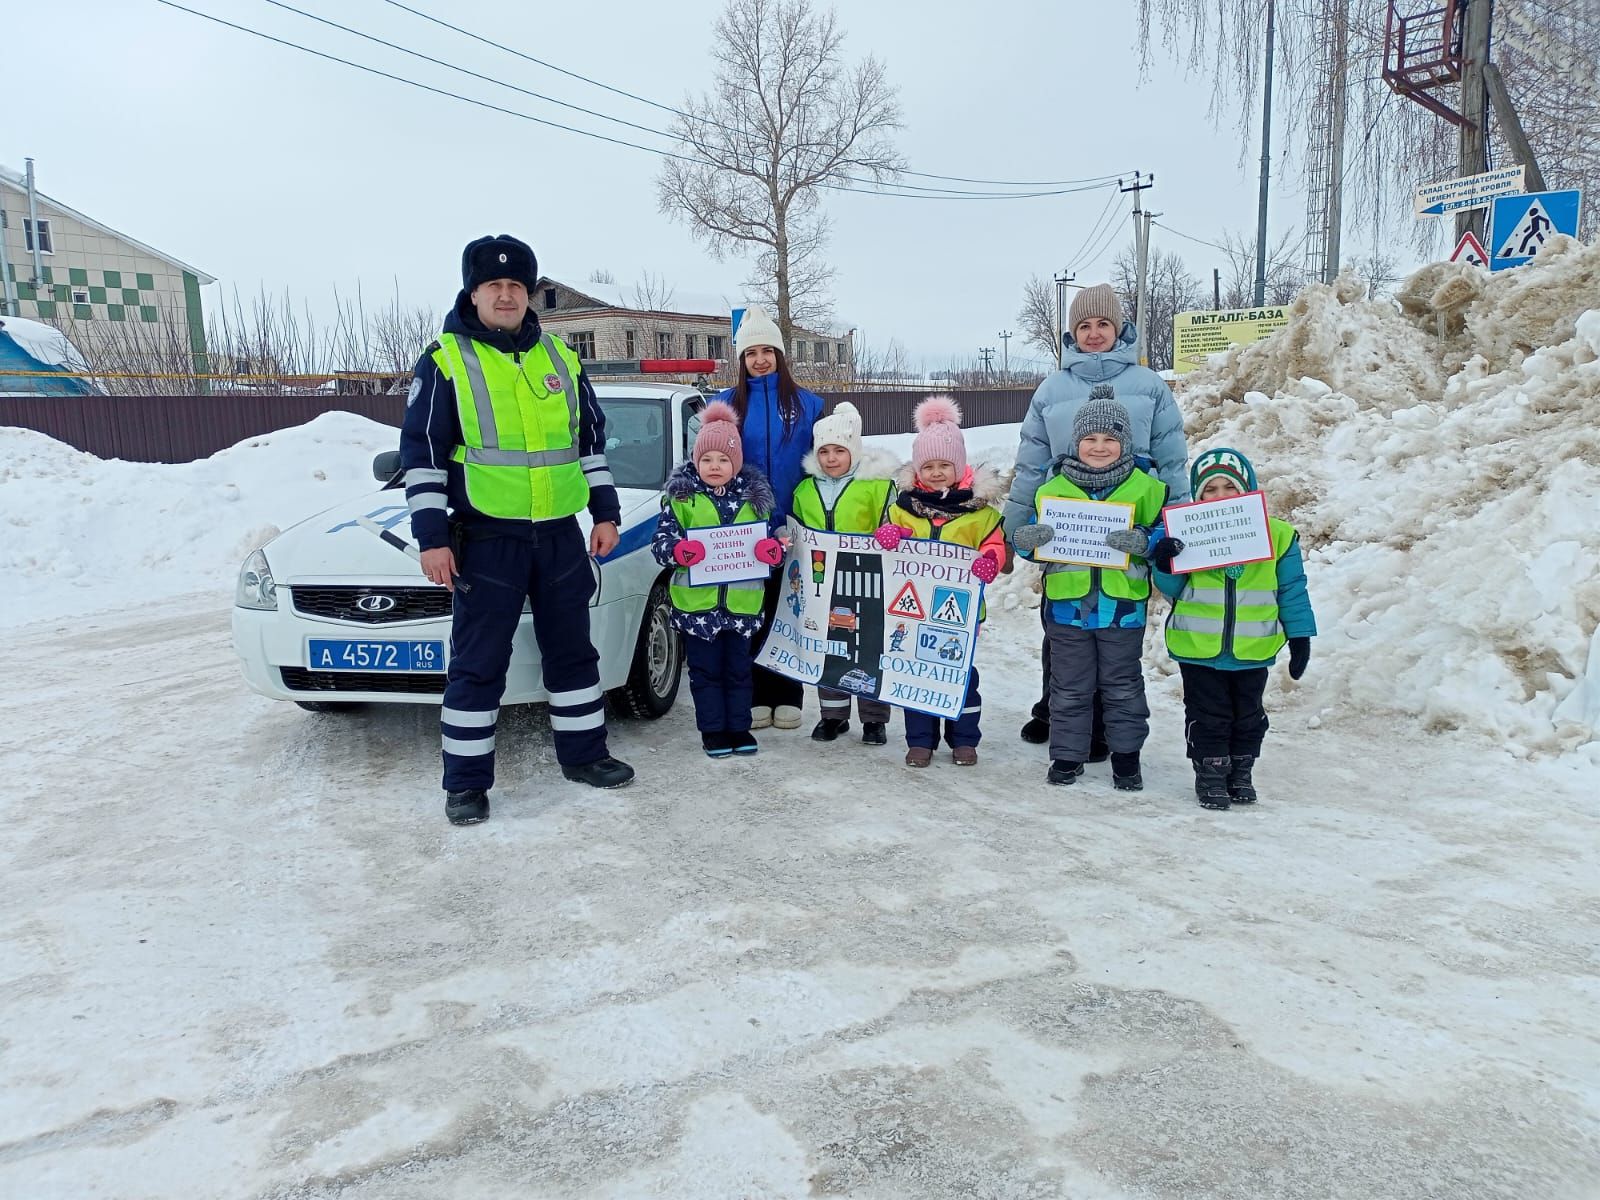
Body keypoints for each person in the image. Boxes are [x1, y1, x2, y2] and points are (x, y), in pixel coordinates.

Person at [400, 234, 634, 827]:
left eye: (516, 286)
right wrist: (431, 539)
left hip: (558, 535)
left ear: (529, 294)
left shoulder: (561, 359)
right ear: (473, 292)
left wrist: (604, 513)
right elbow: (423, 456)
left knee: (574, 653)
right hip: (486, 538)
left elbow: (590, 446)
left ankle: (585, 756)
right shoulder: (446, 360)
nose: (506, 295)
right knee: (478, 665)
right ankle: (466, 785)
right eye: (493, 286)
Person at [1001, 284, 1190, 753]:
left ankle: (1104, 724)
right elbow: (1030, 462)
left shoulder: (1148, 385)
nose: (1093, 333)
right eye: (1083, 326)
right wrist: (1013, 527)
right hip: (1067, 524)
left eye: (1102, 324)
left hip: (1128, 516)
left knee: (1116, 628)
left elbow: (1171, 459)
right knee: (1063, 625)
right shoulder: (1052, 388)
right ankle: (1056, 710)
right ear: (1071, 333)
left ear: (1119, 328)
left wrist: (1179, 522)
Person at [1010, 396, 1169, 789]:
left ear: (1126, 442)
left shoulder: (1146, 487)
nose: (1099, 446)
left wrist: (1146, 541)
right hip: (1068, 609)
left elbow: (1167, 535)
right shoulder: (1054, 487)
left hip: (1122, 609)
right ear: (1076, 442)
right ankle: (1067, 757)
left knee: (1123, 687)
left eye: (1110, 438)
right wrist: (1028, 541)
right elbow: (1031, 537)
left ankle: (1127, 760)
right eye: (1090, 438)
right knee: (1069, 687)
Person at [1153, 448, 1317, 810]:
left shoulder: (1279, 536)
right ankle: (1210, 773)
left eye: (1230, 486)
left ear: (1248, 488)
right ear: (1198, 495)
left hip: (1253, 647)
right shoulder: (1187, 533)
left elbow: (1291, 589)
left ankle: (1241, 770)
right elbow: (1176, 591)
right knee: (1207, 713)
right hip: (1198, 645)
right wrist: (1165, 562)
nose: (1221, 496)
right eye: (1210, 490)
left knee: (1249, 714)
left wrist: (1300, 635)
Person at [875, 397, 1006, 767]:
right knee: (917, 672)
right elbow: (888, 535)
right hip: (912, 608)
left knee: (959, 672)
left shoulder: (979, 513)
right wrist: (887, 535)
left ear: (959, 466)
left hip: (959, 613)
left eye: (944, 465)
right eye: (928, 466)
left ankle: (963, 738)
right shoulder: (904, 506)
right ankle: (920, 740)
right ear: (917, 469)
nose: (935, 472)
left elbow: (994, 547)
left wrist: (989, 563)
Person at [714, 305, 825, 731]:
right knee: (750, 612)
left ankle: (789, 693)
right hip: (742, 529)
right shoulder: (725, 405)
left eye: (767, 351)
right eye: (750, 353)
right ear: (741, 360)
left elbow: (827, 463)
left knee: (790, 609)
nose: (760, 359)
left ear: (781, 355)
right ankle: (757, 695)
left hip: (795, 527)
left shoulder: (808, 405)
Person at [651, 401, 781, 758]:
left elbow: (769, 543)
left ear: (735, 463)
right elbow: (661, 543)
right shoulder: (681, 498)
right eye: (706, 459)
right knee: (705, 673)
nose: (714, 466)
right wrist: (679, 552)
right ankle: (713, 730)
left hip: (741, 606)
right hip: (698, 608)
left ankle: (739, 727)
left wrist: (771, 552)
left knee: (739, 671)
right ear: (695, 459)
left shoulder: (755, 499)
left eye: (723, 460)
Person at [790, 400, 899, 745]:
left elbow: (895, 525)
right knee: (830, 646)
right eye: (824, 451)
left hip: (868, 581)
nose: (832, 458)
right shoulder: (805, 490)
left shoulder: (877, 486)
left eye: (839, 450)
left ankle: (873, 718)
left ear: (854, 450)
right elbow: (796, 531)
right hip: (824, 582)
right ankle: (833, 715)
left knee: (868, 648)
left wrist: (892, 533)